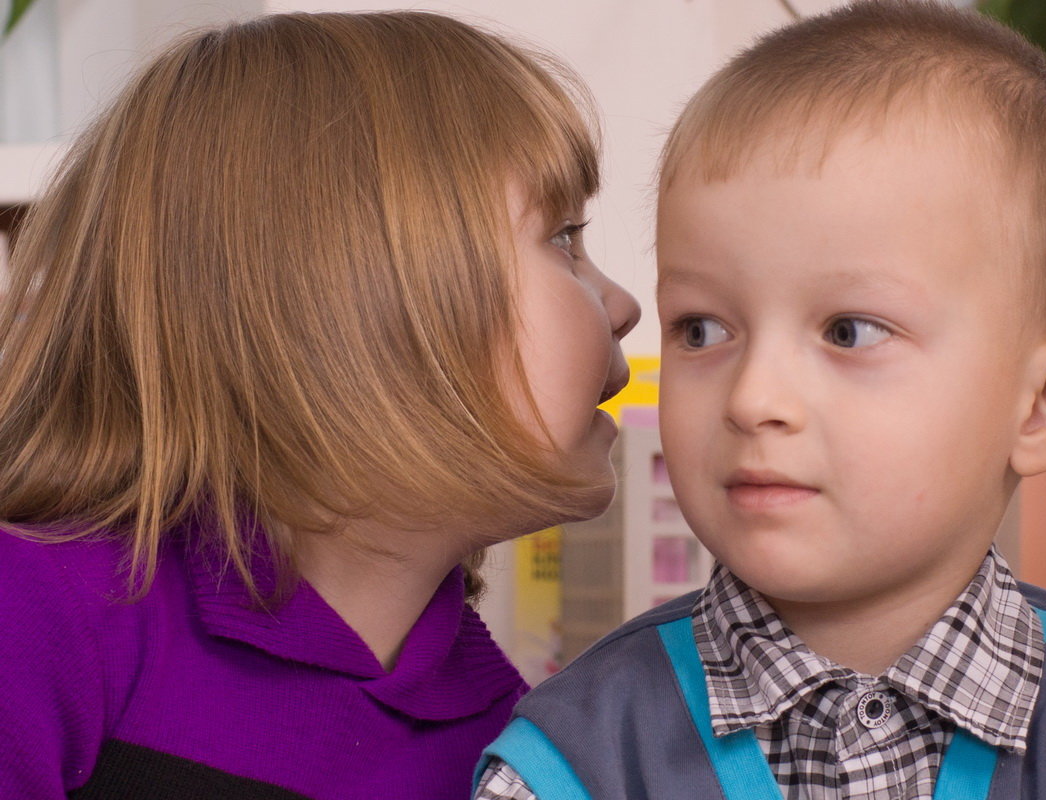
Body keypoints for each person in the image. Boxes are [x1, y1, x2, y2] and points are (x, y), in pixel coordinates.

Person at [475, 2, 1046, 798]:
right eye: (702, 328)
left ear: (1043, 407)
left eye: (849, 332)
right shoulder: (568, 765)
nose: (753, 399)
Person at [0, 11, 638, 800]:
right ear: (354, 301)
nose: (624, 303)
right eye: (565, 238)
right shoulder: (33, 617)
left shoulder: (516, 745)